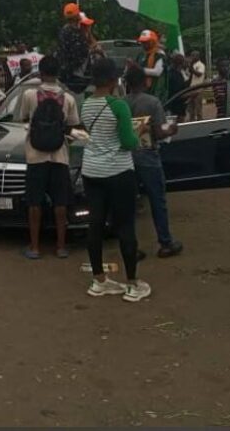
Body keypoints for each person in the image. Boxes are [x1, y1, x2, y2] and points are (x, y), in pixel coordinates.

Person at [80, 59, 151, 302]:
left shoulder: (86, 104)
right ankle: (133, 283)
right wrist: (141, 131)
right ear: (113, 80)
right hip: (118, 172)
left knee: (95, 225)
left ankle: (99, 281)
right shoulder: (119, 105)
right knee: (125, 226)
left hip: (91, 170)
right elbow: (128, 143)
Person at [15, 56, 81, 259]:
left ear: (40, 72)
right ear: (58, 73)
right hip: (59, 156)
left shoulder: (29, 94)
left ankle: (35, 247)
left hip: (35, 156)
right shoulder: (68, 98)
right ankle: (61, 247)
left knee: (34, 203)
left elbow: (23, 118)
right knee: (60, 203)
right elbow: (71, 126)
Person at [125, 65, 183, 258]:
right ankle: (165, 242)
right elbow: (158, 133)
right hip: (148, 156)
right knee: (157, 200)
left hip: (127, 158)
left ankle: (131, 247)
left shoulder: (122, 103)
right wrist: (171, 130)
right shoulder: (152, 102)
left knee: (130, 204)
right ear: (145, 82)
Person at [57, 2, 90, 89]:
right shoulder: (77, 34)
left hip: (64, 77)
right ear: (77, 16)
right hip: (77, 80)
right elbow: (81, 55)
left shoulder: (63, 32)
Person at [167, 52, 191, 120]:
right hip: (176, 109)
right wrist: (191, 94)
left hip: (175, 107)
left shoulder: (175, 73)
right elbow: (178, 94)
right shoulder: (175, 75)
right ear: (181, 63)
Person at [187, 50, 207, 121]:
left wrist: (191, 69)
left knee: (198, 106)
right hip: (191, 88)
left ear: (198, 56)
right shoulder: (193, 65)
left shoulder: (201, 65)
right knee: (191, 106)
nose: (192, 57)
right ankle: (191, 120)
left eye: (193, 55)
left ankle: (199, 120)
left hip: (198, 88)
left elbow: (199, 74)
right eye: (191, 55)